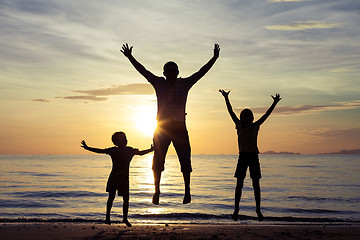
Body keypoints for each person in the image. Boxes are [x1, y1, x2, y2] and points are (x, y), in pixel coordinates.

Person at [121, 43, 220, 205]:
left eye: (174, 71)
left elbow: (201, 72)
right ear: (165, 73)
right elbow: (143, 71)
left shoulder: (185, 84)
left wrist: (214, 58)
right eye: (169, 72)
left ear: (178, 72)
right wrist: (130, 57)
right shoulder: (159, 83)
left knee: (185, 160)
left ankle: (187, 191)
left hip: (180, 128)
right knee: (158, 161)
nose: (172, 74)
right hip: (162, 128)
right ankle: (157, 190)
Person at [219, 89, 281, 222]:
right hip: (242, 157)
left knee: (256, 184)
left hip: (253, 157)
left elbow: (266, 115)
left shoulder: (256, 126)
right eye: (244, 116)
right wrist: (226, 98)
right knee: (239, 184)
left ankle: (258, 209)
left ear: (252, 118)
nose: (247, 118)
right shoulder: (239, 126)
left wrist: (274, 103)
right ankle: (236, 210)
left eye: (249, 116)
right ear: (242, 118)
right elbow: (230, 112)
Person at [81, 132, 153, 226]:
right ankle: (108, 218)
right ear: (116, 142)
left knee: (125, 199)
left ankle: (124, 219)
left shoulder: (129, 150)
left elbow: (141, 153)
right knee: (111, 198)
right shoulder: (114, 150)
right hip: (114, 178)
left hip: (123, 178)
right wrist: (87, 148)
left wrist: (151, 149)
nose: (125, 140)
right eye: (122, 138)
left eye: (125, 138)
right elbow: (100, 151)